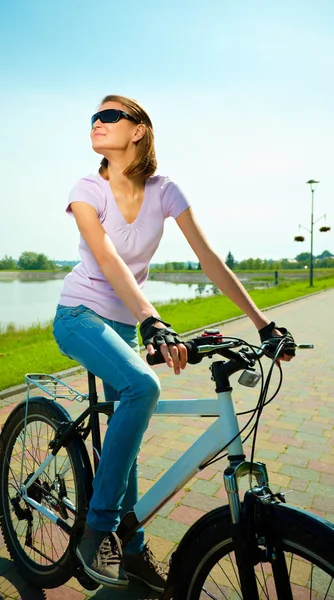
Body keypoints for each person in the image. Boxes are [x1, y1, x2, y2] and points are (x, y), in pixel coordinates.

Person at [52, 94, 294, 592]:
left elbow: (208, 258)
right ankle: (97, 531)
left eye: (109, 116)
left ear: (138, 130)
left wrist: (263, 322)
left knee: (130, 435)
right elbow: (107, 259)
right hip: (79, 315)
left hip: (125, 323)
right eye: (93, 118)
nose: (96, 123)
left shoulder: (165, 191)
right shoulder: (86, 189)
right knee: (144, 387)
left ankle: (133, 551)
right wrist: (153, 320)